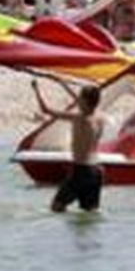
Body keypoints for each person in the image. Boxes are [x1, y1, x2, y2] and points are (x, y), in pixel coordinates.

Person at [32, 79, 105, 212]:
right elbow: (82, 101)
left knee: (56, 207)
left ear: (85, 101)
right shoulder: (100, 118)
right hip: (96, 172)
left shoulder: (79, 118)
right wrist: (64, 85)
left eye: (80, 98)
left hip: (81, 171)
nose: (78, 101)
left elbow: (45, 109)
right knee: (89, 213)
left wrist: (36, 89)